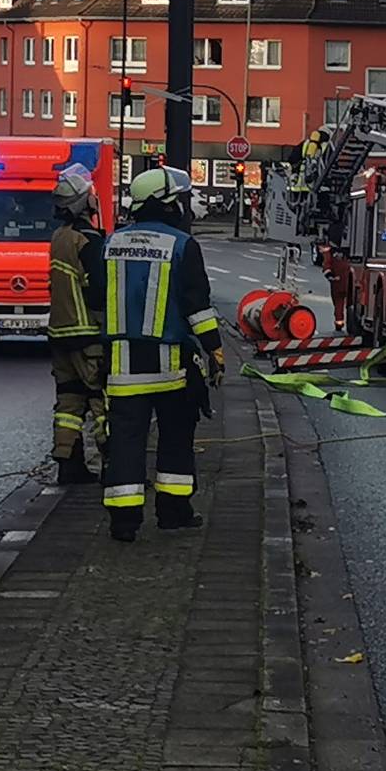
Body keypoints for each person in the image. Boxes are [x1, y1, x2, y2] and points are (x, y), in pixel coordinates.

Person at [99, 166, 226, 542]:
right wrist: (215, 351)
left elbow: (96, 302)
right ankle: (173, 513)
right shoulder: (183, 245)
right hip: (171, 367)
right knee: (174, 439)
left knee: (125, 441)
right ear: (167, 204)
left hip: (122, 366)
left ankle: (124, 523)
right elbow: (197, 308)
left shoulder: (110, 243)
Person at [45, 168, 108, 485]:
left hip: (60, 333)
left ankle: (68, 464)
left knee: (69, 401)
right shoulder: (89, 241)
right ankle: (116, 466)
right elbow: (99, 291)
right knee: (102, 400)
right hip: (88, 335)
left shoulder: (59, 237)